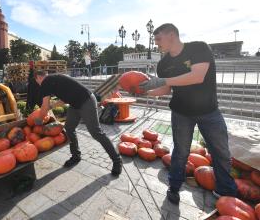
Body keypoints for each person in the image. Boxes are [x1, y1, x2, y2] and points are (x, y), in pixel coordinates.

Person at [138, 23, 237, 204]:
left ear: (172, 35)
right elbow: (166, 90)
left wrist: (162, 80)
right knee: (180, 152)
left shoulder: (198, 48)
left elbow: (197, 76)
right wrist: (145, 91)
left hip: (209, 111)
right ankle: (174, 187)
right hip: (181, 112)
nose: (156, 44)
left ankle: (226, 190)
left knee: (220, 150)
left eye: (158, 39)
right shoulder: (163, 63)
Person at [34, 70, 122, 176]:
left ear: (38, 78)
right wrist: (52, 106)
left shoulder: (46, 82)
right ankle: (76, 156)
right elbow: (64, 99)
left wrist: (38, 121)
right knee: (69, 128)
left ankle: (117, 161)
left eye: (37, 82)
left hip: (86, 101)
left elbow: (44, 106)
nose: (39, 85)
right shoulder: (54, 80)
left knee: (96, 132)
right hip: (75, 105)